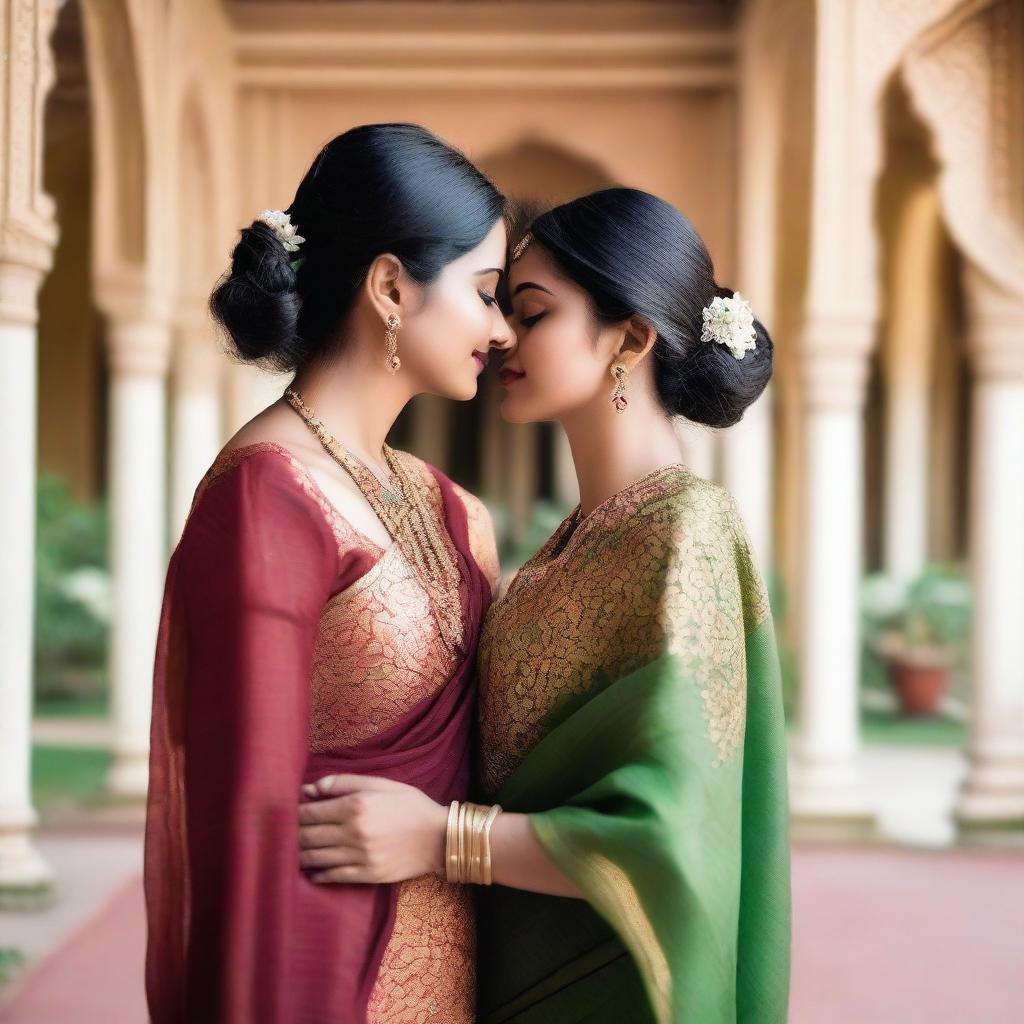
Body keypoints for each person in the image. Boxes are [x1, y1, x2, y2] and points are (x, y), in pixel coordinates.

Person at [300, 187, 791, 1023]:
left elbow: (671, 838)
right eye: (499, 308)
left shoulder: (686, 530)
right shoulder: (569, 543)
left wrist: (439, 837)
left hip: (611, 986)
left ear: (629, 337)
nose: (500, 336)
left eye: (531, 313)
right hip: (509, 969)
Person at [144, 122, 512, 1024]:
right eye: (487, 292)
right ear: (392, 287)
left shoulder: (447, 505)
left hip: (461, 965)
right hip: (323, 974)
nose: (501, 329)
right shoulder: (268, 495)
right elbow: (246, 827)